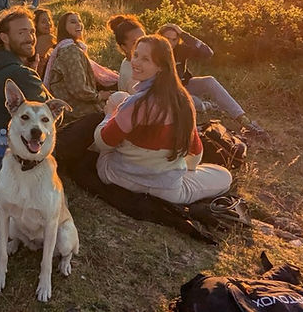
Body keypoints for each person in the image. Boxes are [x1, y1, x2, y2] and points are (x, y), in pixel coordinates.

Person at [89, 34, 232, 204]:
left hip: (116, 177)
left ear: (161, 67)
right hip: (167, 190)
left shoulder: (133, 104)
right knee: (224, 176)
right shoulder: (184, 102)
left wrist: (109, 114)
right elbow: (195, 157)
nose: (135, 62)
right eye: (136, 55)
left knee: (118, 97)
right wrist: (170, 169)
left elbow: (102, 142)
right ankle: (165, 176)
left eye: (145, 59)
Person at [157, 23, 265, 136]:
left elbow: (208, 52)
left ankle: (243, 120)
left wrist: (184, 34)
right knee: (195, 102)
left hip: (182, 86)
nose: (170, 42)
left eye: (174, 39)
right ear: (159, 37)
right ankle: (208, 105)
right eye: (166, 38)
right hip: (166, 94)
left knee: (209, 80)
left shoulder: (181, 50)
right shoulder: (153, 52)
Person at [0, 7, 52, 148]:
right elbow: (53, 117)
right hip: (25, 149)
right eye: (21, 32)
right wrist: (34, 76)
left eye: (32, 32)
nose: (30, 38)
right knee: (93, 121)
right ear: (4, 38)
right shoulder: (19, 73)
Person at [43, 12, 118, 120]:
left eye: (80, 21)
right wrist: (100, 96)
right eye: (73, 22)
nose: (79, 24)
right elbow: (79, 89)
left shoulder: (70, 48)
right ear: (64, 28)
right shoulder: (70, 51)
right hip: (78, 111)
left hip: (76, 108)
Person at [108, 14, 146, 94]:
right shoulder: (133, 75)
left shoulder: (130, 63)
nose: (143, 45)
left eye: (144, 39)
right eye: (135, 42)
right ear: (124, 47)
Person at [34, 9, 57, 75]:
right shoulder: (48, 38)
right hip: (41, 74)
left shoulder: (34, 39)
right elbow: (65, 46)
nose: (48, 24)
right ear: (36, 24)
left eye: (49, 20)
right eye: (43, 22)